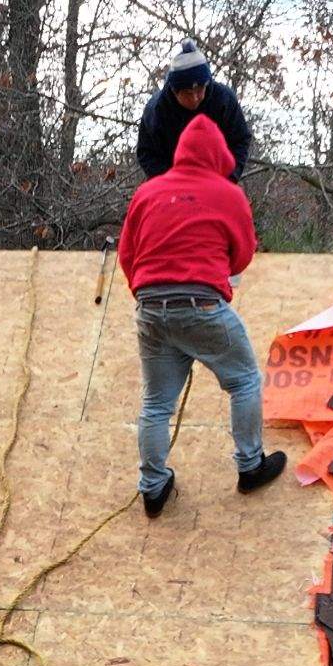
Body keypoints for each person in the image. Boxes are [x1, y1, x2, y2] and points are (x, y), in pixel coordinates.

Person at [115, 114, 285, 518]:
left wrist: (152, 295)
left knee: (157, 403)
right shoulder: (228, 194)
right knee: (243, 381)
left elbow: (127, 255)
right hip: (202, 307)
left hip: (150, 309)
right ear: (218, 155)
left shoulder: (148, 192)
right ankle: (250, 466)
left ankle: (153, 488)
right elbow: (242, 254)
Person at [136, 40, 253, 180]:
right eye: (188, 93)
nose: (195, 98)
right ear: (175, 91)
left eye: (200, 90)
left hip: (217, 182)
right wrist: (170, 183)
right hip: (173, 186)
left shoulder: (224, 100)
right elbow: (147, 153)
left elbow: (240, 140)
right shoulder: (156, 110)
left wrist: (229, 177)